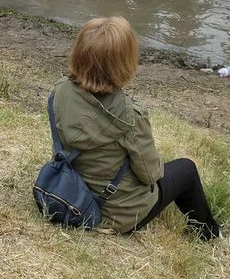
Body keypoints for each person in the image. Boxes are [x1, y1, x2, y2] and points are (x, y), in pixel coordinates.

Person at [50, 16, 221, 239]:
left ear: (79, 53)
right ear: (125, 63)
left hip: (69, 190)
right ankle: (208, 233)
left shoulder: (60, 91)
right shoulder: (130, 116)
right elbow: (151, 175)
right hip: (116, 215)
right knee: (186, 169)